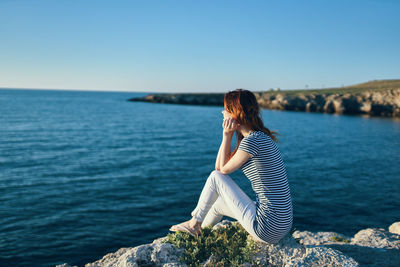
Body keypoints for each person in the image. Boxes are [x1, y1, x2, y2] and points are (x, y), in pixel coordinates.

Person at [169, 89, 293, 244]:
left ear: (235, 113)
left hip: (267, 228)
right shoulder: (260, 137)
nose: (222, 112)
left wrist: (226, 135)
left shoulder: (252, 141)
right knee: (217, 205)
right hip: (281, 224)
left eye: (226, 109)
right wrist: (227, 135)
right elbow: (220, 166)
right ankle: (197, 235)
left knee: (215, 176)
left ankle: (193, 223)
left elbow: (220, 172)